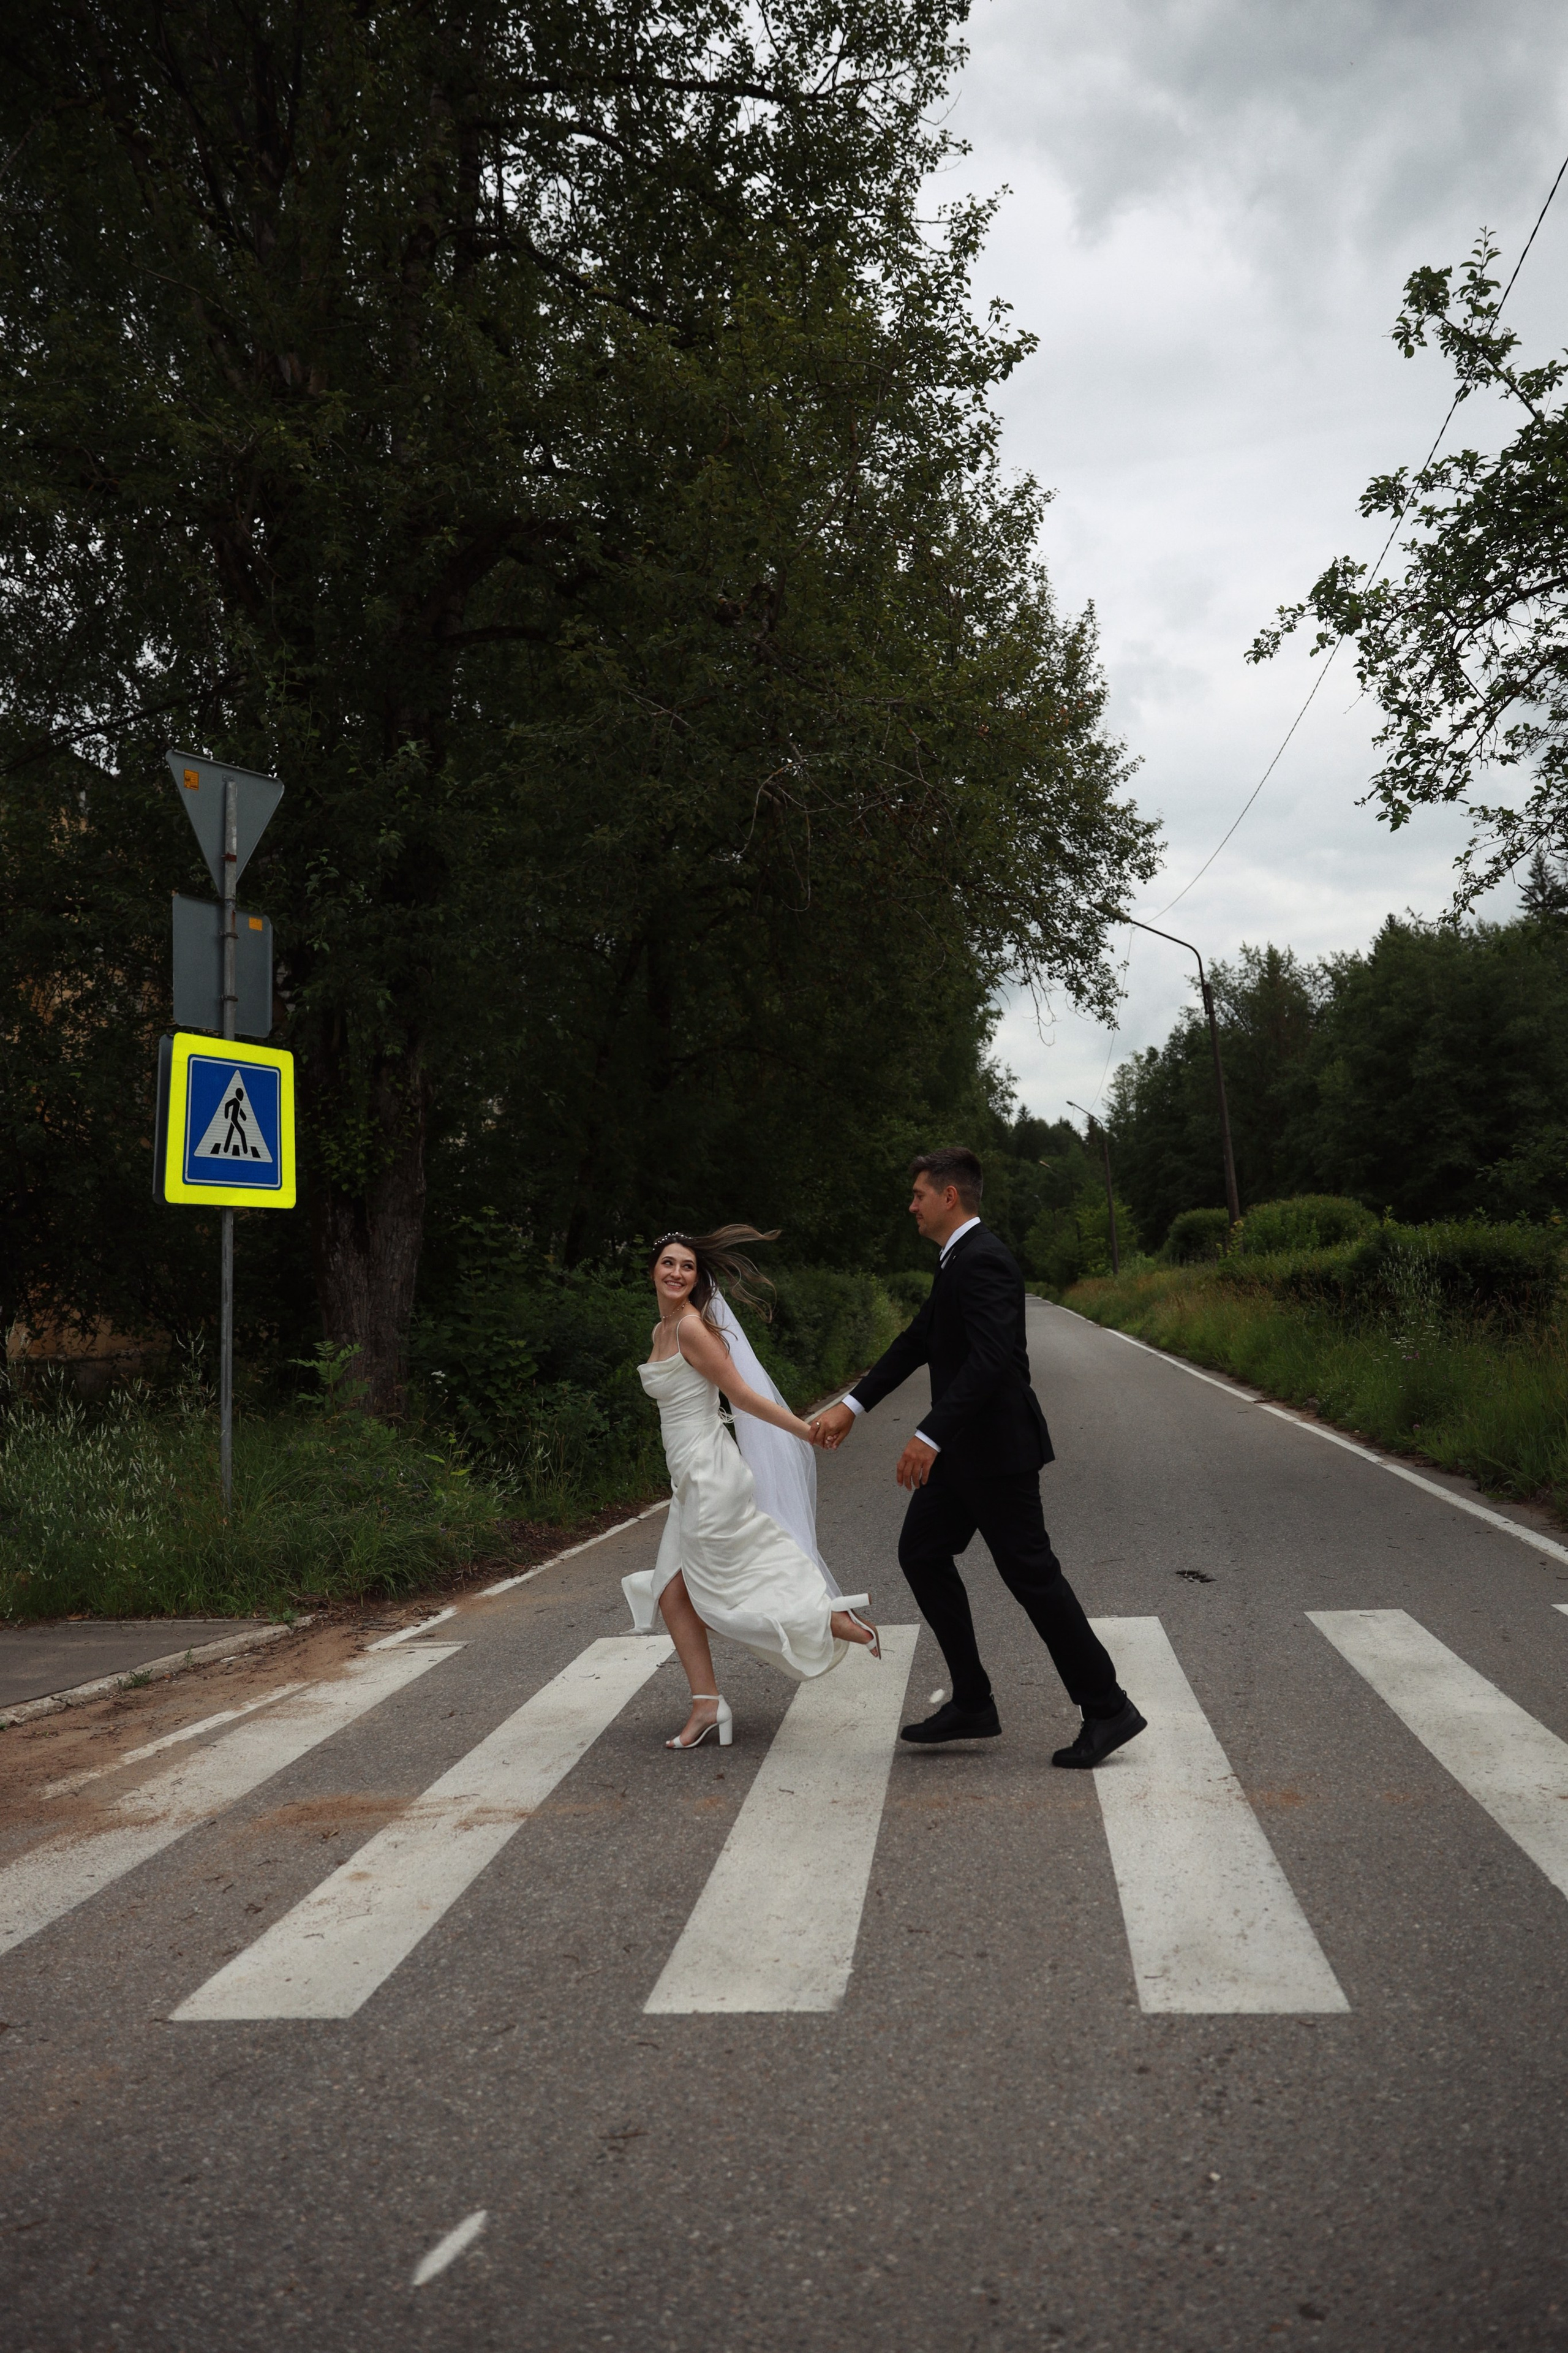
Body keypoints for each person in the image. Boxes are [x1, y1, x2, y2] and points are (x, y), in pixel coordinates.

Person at [810, 1149, 1146, 1766]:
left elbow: (991, 1362)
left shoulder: (984, 1259)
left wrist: (929, 1434)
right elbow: (917, 1340)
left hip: (996, 1452)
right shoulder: (956, 1260)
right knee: (921, 1552)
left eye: (918, 1194)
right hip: (964, 1454)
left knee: (1032, 1576)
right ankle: (972, 1700)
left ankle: (1107, 1707)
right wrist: (852, 1405)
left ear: (949, 1197)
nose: (910, 1206)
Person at [628, 1226, 880, 1751]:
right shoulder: (662, 1328)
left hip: (710, 1473)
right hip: (688, 1476)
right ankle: (707, 1704)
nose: (677, 1272)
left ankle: (827, 1617)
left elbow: (741, 1396)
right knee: (673, 1594)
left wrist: (805, 1430)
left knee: (721, 1587)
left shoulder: (691, 1328)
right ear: (653, 1269)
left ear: (697, 1278)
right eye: (669, 1263)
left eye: (687, 1266)